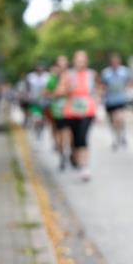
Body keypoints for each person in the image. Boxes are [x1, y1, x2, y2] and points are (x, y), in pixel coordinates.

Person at [57, 50, 99, 182]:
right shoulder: (68, 75)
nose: (80, 63)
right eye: (78, 60)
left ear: (86, 61)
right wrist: (68, 89)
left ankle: (84, 166)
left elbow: (98, 91)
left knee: (83, 137)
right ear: (74, 61)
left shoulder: (92, 74)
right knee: (74, 140)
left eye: (83, 60)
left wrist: (98, 106)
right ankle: (74, 156)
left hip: (87, 111)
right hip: (71, 111)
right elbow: (59, 91)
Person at [101, 52, 132, 150]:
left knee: (119, 118)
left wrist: (127, 90)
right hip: (110, 100)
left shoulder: (124, 72)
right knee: (113, 121)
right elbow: (103, 85)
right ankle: (116, 137)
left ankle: (122, 134)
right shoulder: (106, 73)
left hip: (120, 99)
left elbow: (129, 82)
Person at [45, 55, 71, 171]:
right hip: (57, 111)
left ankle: (71, 154)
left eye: (64, 65)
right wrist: (56, 94)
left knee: (70, 134)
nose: (62, 67)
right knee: (61, 135)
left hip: (71, 110)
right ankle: (62, 156)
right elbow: (46, 93)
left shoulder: (71, 77)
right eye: (60, 65)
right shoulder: (52, 79)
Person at [25, 61, 50, 140]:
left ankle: (41, 130)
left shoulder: (47, 77)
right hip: (34, 101)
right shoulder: (31, 77)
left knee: (43, 119)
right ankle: (36, 131)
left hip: (44, 101)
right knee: (36, 118)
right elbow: (27, 88)